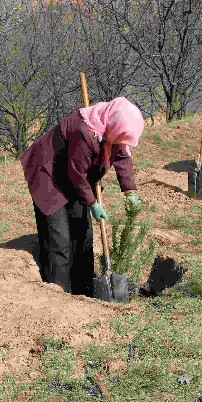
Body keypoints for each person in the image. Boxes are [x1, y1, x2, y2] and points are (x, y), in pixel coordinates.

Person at [20, 97, 145, 296]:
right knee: (58, 239)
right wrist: (93, 203)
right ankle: (58, 292)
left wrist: (129, 190)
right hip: (50, 173)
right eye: (121, 137)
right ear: (114, 125)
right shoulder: (85, 132)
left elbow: (122, 156)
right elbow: (76, 174)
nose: (122, 142)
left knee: (83, 235)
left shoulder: (111, 128)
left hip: (75, 174)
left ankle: (84, 290)